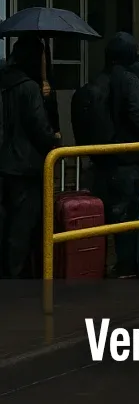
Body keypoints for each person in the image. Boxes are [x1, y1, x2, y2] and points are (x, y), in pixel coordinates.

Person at [84, 33, 139, 276]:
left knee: (102, 221)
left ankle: (97, 266)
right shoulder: (129, 80)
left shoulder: (95, 80)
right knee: (126, 220)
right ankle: (126, 268)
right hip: (126, 161)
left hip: (100, 161)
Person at [0, 38, 61, 277]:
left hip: (4, 167)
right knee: (23, 230)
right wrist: (55, 139)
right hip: (25, 168)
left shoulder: (5, 81)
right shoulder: (29, 87)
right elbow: (39, 129)